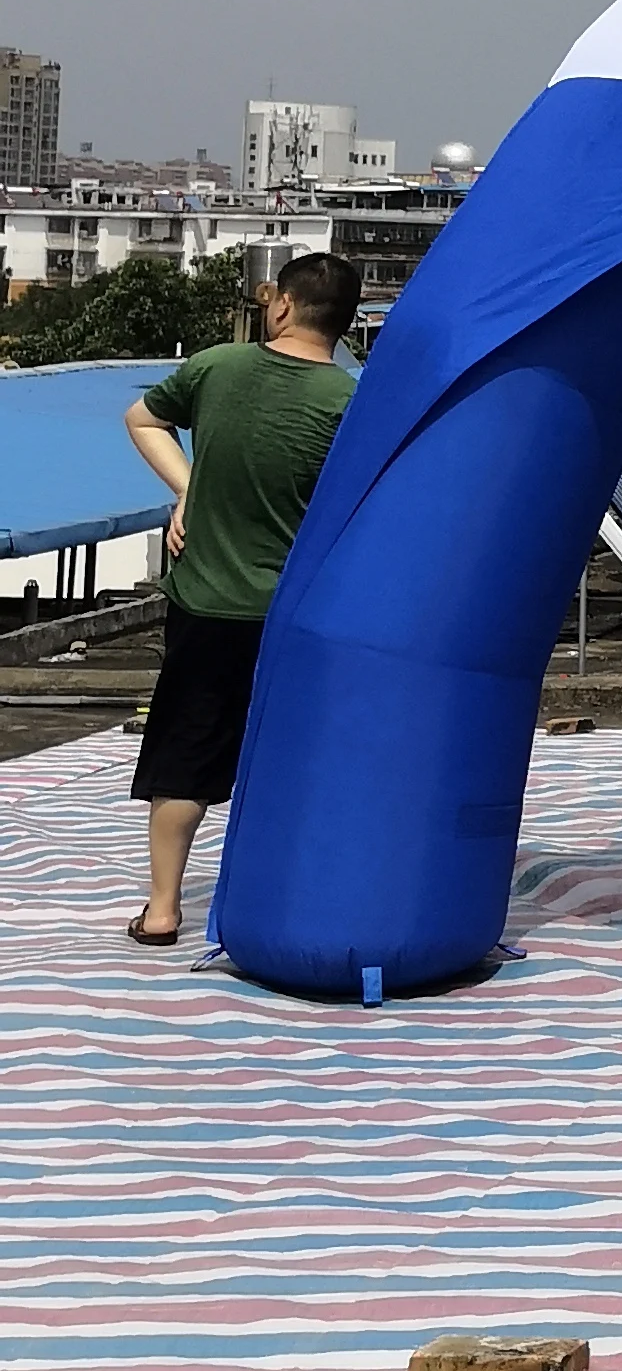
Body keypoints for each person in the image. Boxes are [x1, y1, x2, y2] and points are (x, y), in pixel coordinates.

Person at [117, 252, 363, 946]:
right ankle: (287, 898)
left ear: (281, 305)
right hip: (295, 616)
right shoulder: (349, 402)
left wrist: (188, 490)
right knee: (293, 757)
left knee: (185, 759)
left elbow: (142, 419)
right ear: (342, 325)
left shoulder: (218, 367)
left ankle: (162, 910)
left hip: (205, 604)